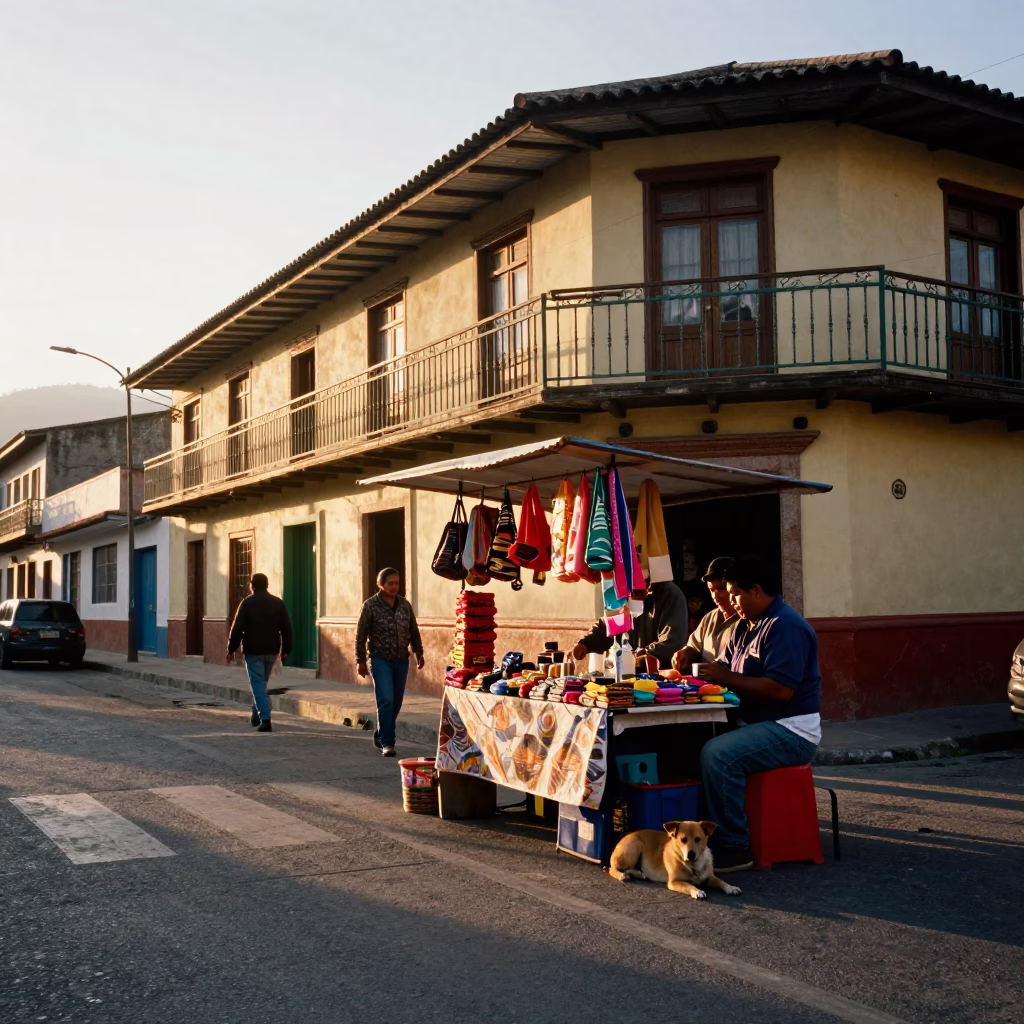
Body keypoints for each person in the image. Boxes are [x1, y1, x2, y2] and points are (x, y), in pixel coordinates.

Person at [695, 555, 822, 873]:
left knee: (718, 754)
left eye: (734, 593)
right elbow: (722, 669)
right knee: (689, 739)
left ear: (756, 591)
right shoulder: (743, 627)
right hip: (753, 721)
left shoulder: (786, 627)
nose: (731, 601)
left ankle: (735, 846)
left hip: (790, 730)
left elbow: (782, 691)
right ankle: (695, 835)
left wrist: (724, 678)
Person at [355, 567, 425, 758]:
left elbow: (413, 630)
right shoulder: (370, 606)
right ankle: (388, 743)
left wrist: (419, 651)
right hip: (380, 660)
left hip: (401, 660)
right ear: (381, 584)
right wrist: (360, 660)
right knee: (386, 699)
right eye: (390, 583)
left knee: (396, 702)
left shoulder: (404, 605)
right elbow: (360, 635)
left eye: (397, 583)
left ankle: (380, 732)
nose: (394, 587)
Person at [571, 578, 689, 670]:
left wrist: (641, 655)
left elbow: (672, 642)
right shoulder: (623, 591)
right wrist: (585, 643)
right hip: (629, 674)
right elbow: (609, 624)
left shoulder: (670, 595)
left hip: (661, 680)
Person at [226, 573, 293, 733]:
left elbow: (237, 629)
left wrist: (230, 650)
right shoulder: (278, 603)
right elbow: (286, 628)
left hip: (253, 650)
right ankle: (256, 714)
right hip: (271, 651)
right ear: (267, 585)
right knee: (261, 684)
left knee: (257, 684)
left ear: (252, 585)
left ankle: (265, 719)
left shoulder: (247, 603)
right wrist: (285, 650)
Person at [671, 557, 741, 674]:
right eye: (711, 589)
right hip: (706, 689)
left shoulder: (748, 620)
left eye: (721, 588)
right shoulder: (709, 618)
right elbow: (693, 646)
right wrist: (684, 653)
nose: (715, 596)